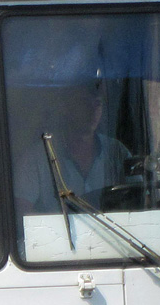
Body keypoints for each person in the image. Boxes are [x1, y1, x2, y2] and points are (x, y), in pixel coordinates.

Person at [14, 83, 130, 214]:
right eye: (84, 103)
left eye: (97, 104)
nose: (92, 111)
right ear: (65, 107)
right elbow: (21, 209)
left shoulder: (117, 152)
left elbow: (143, 199)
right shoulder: (37, 158)